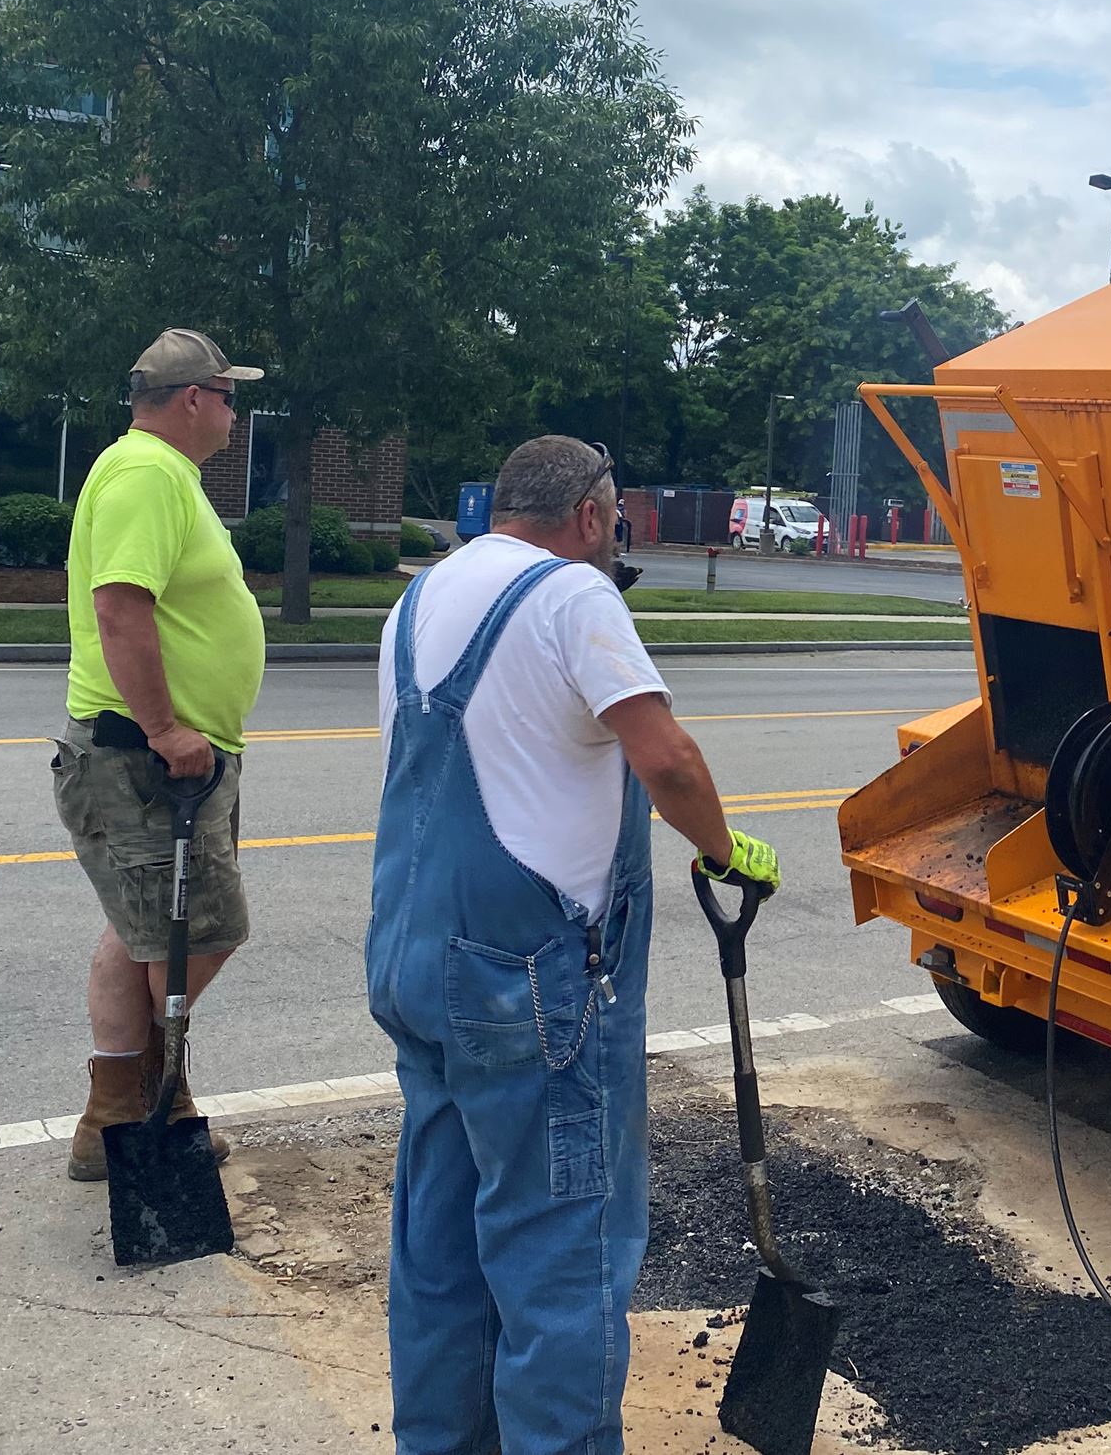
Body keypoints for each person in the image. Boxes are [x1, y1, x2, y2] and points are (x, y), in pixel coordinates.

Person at [368, 434, 779, 1455]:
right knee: (560, 1250)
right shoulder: (572, 598)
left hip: (417, 965)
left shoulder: (422, 596)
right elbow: (665, 761)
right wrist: (726, 854)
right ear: (591, 517)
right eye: (618, 525)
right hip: (528, 992)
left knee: (440, 1246)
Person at [55, 328, 267, 1182]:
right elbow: (120, 609)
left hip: (165, 763)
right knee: (205, 931)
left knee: (139, 934)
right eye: (228, 396)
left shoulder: (160, 473)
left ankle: (119, 1113)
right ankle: (152, 1099)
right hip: (145, 763)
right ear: (192, 399)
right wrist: (168, 731)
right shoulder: (146, 474)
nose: (234, 413)